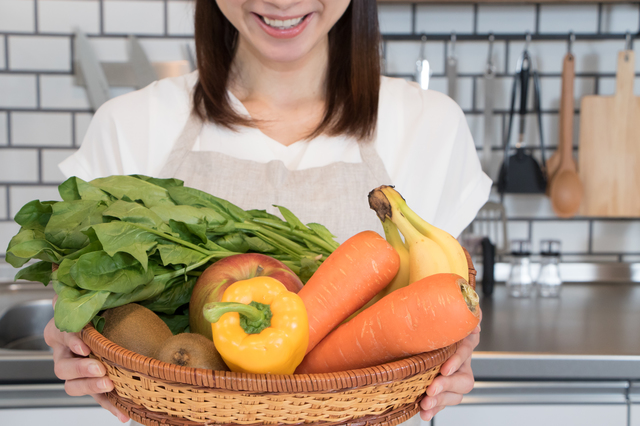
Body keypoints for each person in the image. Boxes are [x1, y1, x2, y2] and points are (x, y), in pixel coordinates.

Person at [44, 0, 491, 424]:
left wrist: (454, 342)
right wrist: (71, 336)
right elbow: (76, 286)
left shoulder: (429, 125)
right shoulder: (131, 124)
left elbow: (438, 296)